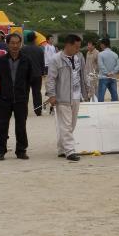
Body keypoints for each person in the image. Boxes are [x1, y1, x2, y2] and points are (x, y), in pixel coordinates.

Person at [46, 33, 90, 162]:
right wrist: (51, 95)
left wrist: (86, 92)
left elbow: (83, 75)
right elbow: (51, 79)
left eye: (79, 47)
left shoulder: (79, 57)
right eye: (76, 47)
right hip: (62, 96)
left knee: (71, 125)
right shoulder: (55, 59)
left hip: (76, 96)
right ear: (68, 45)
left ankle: (61, 149)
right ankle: (70, 151)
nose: (78, 50)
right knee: (66, 125)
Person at [0, 32, 33, 160]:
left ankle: (21, 150)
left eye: (17, 43)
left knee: (21, 125)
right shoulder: (0, 61)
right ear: (7, 44)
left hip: (21, 98)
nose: (15, 46)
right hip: (5, 98)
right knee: (1, 125)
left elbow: (29, 79)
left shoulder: (27, 60)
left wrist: (24, 93)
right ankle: (0, 151)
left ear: (20, 44)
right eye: (12, 43)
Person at [20, 31, 47, 117]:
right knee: (37, 93)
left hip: (26, 75)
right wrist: (43, 73)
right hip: (37, 74)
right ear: (35, 39)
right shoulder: (40, 49)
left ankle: (23, 111)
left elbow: (21, 63)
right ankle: (38, 110)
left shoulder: (23, 49)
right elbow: (42, 62)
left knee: (25, 93)